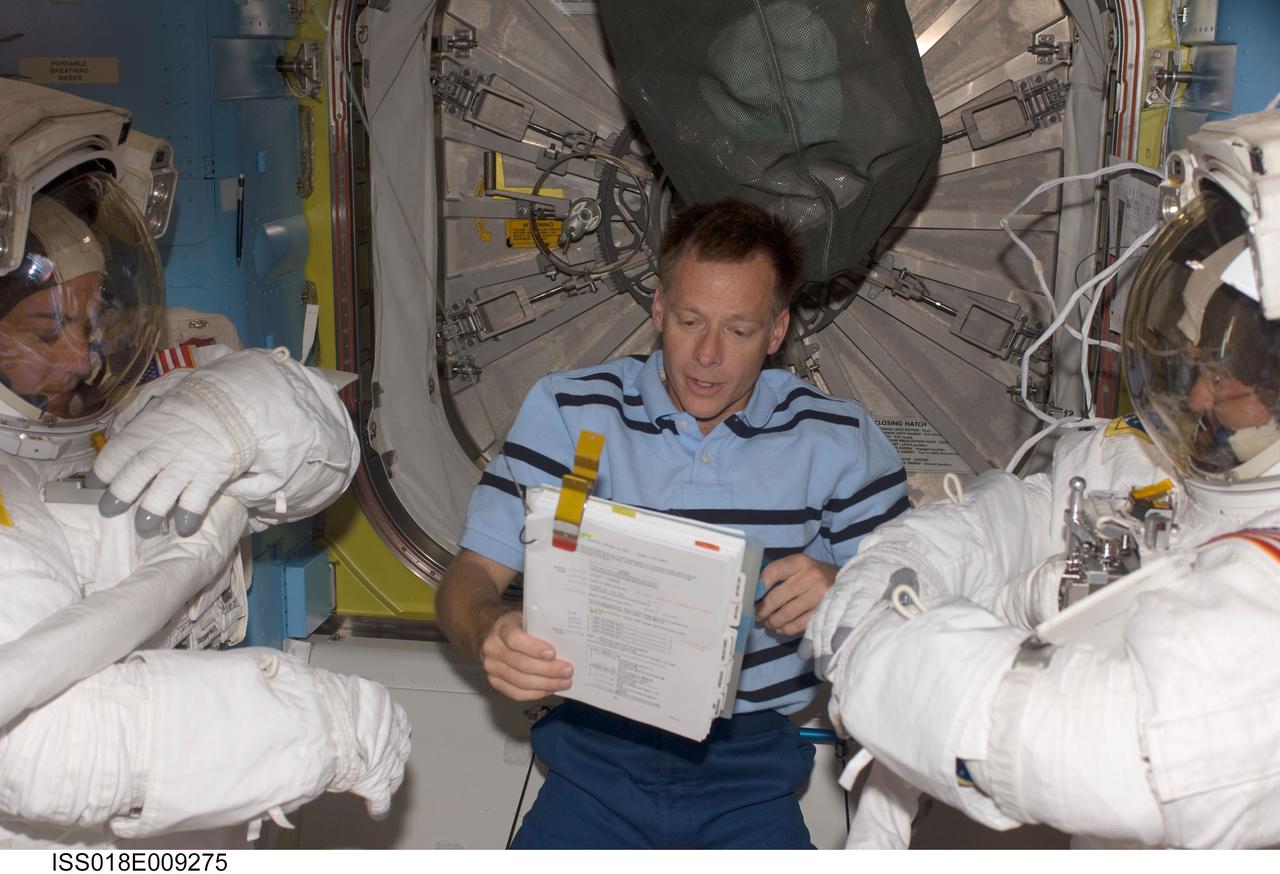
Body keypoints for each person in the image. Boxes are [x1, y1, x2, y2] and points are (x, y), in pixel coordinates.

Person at [807, 111, 1280, 849]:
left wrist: (872, 642)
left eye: (1225, 381)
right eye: (1199, 368)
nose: (1196, 400)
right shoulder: (1167, 470)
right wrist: (900, 574)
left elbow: (1082, 744)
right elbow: (1015, 515)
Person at [437, 198, 909, 848]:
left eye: (740, 331)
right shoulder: (572, 413)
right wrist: (488, 627)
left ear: (777, 332)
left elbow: (915, 598)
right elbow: (467, 577)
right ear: (658, 308)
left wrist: (845, 586)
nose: (708, 355)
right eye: (690, 321)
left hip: (749, 772)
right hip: (593, 763)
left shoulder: (836, 437)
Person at [0, 164, 410, 844]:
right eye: (47, 333)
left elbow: (326, 450)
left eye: (91, 320)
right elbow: (37, 749)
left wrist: (229, 415)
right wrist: (323, 726)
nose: (80, 359)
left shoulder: (122, 410)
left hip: (185, 818)